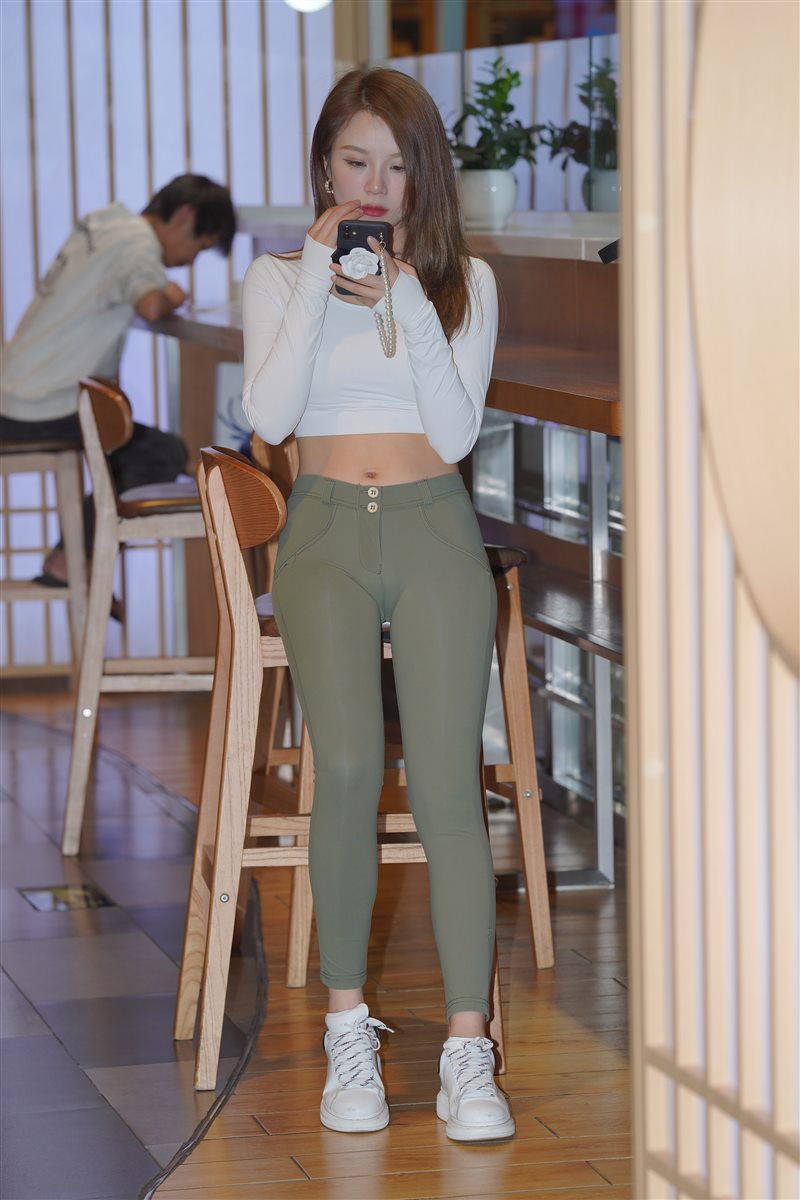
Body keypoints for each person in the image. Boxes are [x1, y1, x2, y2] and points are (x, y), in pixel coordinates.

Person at [242, 68, 513, 1143]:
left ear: (422, 177)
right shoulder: (277, 278)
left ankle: (466, 1050)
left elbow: (453, 436)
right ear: (324, 167)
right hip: (323, 531)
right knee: (348, 768)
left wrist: (402, 294)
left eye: (396, 166)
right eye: (355, 161)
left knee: (448, 784)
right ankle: (346, 1029)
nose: (374, 185)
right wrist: (320, 275)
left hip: (433, 524)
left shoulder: (464, 284)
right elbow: (269, 415)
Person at [0, 174, 236, 585]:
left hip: (16, 395)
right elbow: (151, 305)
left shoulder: (107, 224)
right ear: (185, 216)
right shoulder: (138, 244)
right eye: (199, 247)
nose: (189, 261)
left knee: (132, 448)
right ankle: (72, 558)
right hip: (41, 405)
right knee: (160, 454)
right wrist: (174, 294)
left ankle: (71, 555)